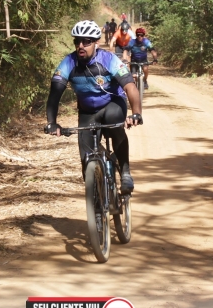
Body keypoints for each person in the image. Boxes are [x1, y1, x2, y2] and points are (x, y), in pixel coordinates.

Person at [45, 20, 142, 193]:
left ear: (96, 42)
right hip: (87, 112)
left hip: (112, 104)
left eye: (86, 41)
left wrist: (136, 113)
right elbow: (54, 94)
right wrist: (52, 122)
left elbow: (130, 86)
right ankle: (96, 198)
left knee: (113, 120)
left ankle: (125, 172)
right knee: (86, 159)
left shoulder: (108, 59)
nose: (81, 45)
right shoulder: (69, 62)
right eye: (77, 41)